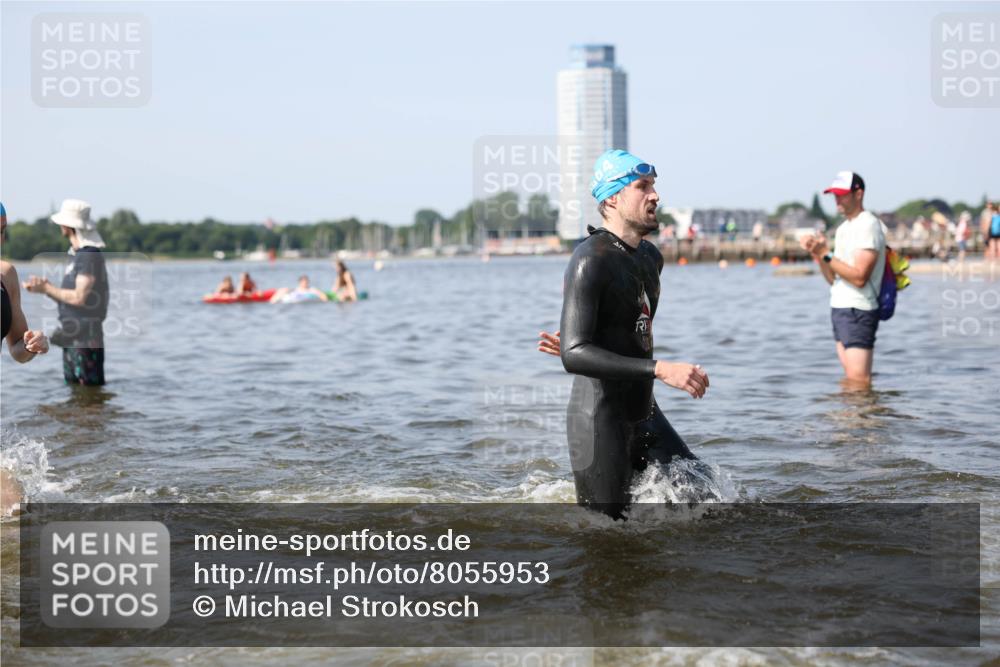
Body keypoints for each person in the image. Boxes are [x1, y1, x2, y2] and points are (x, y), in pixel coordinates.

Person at [536, 149, 710, 520]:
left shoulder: (650, 258)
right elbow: (573, 354)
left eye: (654, 186)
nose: (655, 195)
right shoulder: (590, 259)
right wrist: (660, 369)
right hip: (599, 420)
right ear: (613, 198)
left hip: (645, 411)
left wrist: (597, 342)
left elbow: (632, 326)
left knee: (709, 499)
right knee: (607, 532)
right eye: (643, 186)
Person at [799, 171, 886, 389]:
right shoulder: (843, 228)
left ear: (859, 194)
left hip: (859, 308)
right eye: (834, 195)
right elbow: (833, 279)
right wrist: (819, 254)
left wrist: (826, 253)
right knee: (851, 379)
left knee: (859, 381)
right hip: (840, 307)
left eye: (842, 194)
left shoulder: (868, 224)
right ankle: (854, 412)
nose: (837, 199)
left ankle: (865, 412)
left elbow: (859, 277)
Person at [24, 199, 108, 386]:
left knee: (88, 391)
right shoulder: (77, 255)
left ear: (69, 226)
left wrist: (47, 288)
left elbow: (79, 297)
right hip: (73, 334)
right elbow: (72, 298)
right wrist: (45, 289)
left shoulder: (88, 255)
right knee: (75, 389)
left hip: (85, 336)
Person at [1, 202, 50, 516]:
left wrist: (32, 344)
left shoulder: (5, 276)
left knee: (15, 509)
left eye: (2, 231)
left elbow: (16, 347)